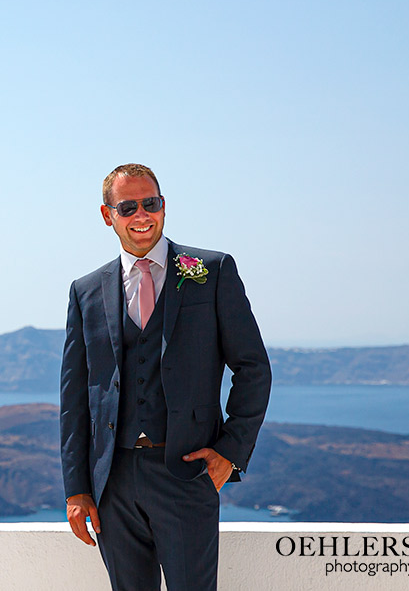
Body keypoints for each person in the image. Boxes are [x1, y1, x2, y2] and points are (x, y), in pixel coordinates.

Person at [60, 163, 272, 591]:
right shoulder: (85, 291)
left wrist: (230, 450)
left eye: (151, 203)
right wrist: (77, 487)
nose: (142, 215)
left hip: (185, 473)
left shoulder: (210, 271)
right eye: (128, 207)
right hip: (112, 482)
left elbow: (253, 368)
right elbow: (76, 398)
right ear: (108, 216)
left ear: (163, 206)